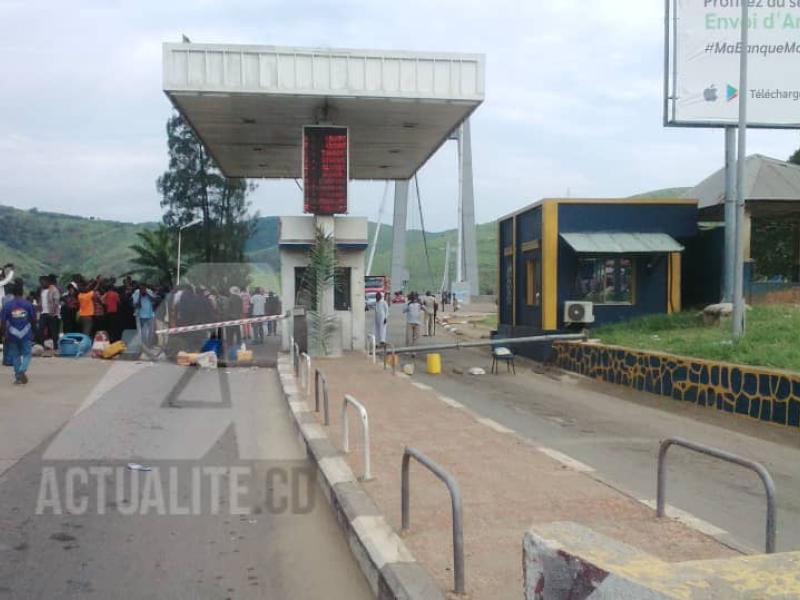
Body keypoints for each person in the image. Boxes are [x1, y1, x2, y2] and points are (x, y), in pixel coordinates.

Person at [1, 279, 36, 384]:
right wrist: (34, 332)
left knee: (15, 355)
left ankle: (18, 377)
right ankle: (22, 371)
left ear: (12, 293)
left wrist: (3, 334)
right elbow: (33, 319)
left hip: (12, 333)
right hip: (26, 333)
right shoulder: (28, 304)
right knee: (27, 354)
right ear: (22, 292)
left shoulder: (7, 305)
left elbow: (2, 321)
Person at [38, 275, 61, 350]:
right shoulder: (42, 290)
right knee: (40, 330)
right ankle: (42, 346)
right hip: (43, 313)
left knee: (54, 331)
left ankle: (55, 348)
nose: (41, 284)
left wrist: (53, 313)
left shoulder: (54, 290)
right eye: (40, 282)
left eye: (42, 282)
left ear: (47, 282)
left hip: (51, 314)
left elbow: (56, 302)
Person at [132, 283, 156, 347]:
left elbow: (154, 300)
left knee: (151, 331)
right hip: (142, 315)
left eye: (144, 288)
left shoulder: (149, 292)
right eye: (141, 289)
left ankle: (150, 344)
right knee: (144, 331)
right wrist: (140, 295)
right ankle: (145, 345)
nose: (143, 290)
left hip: (151, 314)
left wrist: (147, 294)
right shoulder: (136, 293)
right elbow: (136, 305)